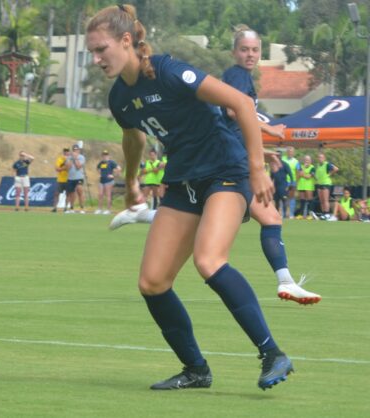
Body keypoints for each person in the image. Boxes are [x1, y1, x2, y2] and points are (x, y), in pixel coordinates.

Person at [87, 4, 293, 391]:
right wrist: (132, 181)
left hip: (226, 173)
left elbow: (241, 104)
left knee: (209, 261)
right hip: (183, 181)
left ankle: (272, 353)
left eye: (102, 49)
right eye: (93, 52)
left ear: (126, 41)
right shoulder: (120, 98)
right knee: (152, 282)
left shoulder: (168, 71)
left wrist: (257, 168)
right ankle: (196, 369)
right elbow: (133, 136)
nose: (97, 59)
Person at [109, 24, 321, 305]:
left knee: (246, 221)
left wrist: (262, 149)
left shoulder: (243, 76)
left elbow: (234, 119)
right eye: (244, 49)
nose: (250, 55)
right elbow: (235, 110)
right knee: (267, 219)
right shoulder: (236, 76)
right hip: (226, 161)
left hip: (234, 154)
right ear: (234, 52)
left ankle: (145, 214)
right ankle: (285, 283)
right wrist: (269, 131)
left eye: (255, 50)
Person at [95, 150, 121, 214]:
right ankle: (99, 209)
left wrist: (113, 175)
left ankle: (108, 210)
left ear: (108, 156)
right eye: (103, 155)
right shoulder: (101, 163)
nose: (105, 156)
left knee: (108, 195)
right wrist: (100, 174)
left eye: (106, 155)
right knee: (100, 195)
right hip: (102, 181)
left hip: (109, 181)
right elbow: (98, 168)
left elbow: (119, 168)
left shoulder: (111, 162)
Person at [314, 152, 339, 219]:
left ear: (324, 158)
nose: (320, 159)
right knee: (321, 200)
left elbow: (336, 169)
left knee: (325, 200)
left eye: (321, 157)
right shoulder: (318, 165)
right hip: (319, 183)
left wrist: (330, 174)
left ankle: (327, 213)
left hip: (326, 183)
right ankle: (323, 213)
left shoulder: (327, 164)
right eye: (319, 157)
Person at [64, 144, 86, 213]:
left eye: (76, 150)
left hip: (79, 177)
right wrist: (71, 159)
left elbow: (78, 166)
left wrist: (75, 158)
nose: (75, 151)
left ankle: (82, 208)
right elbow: (67, 168)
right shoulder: (69, 158)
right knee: (71, 193)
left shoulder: (81, 157)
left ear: (79, 150)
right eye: (74, 150)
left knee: (80, 191)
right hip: (70, 178)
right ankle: (71, 208)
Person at [280, 146, 299, 218]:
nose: (290, 153)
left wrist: (296, 182)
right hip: (283, 182)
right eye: (289, 151)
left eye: (291, 151)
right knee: (283, 198)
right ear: (287, 152)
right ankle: (282, 214)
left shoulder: (296, 161)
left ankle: (291, 214)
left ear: (293, 153)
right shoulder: (282, 159)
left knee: (292, 198)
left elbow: (297, 173)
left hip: (292, 182)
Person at [296, 155, 316, 219]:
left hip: (309, 186)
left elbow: (309, 177)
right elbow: (298, 176)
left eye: (308, 160)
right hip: (301, 186)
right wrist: (302, 174)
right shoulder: (301, 167)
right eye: (305, 160)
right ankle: (301, 214)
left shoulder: (312, 168)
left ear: (310, 161)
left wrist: (302, 174)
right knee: (302, 200)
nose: (306, 161)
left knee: (309, 200)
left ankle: (310, 215)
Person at [51, 147, 70, 212]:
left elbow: (68, 168)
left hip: (68, 179)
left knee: (68, 194)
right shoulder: (59, 159)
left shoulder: (70, 159)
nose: (66, 152)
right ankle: (54, 208)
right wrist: (64, 167)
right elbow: (57, 169)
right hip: (60, 179)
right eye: (65, 151)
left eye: (67, 151)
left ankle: (66, 208)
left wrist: (62, 168)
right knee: (56, 193)